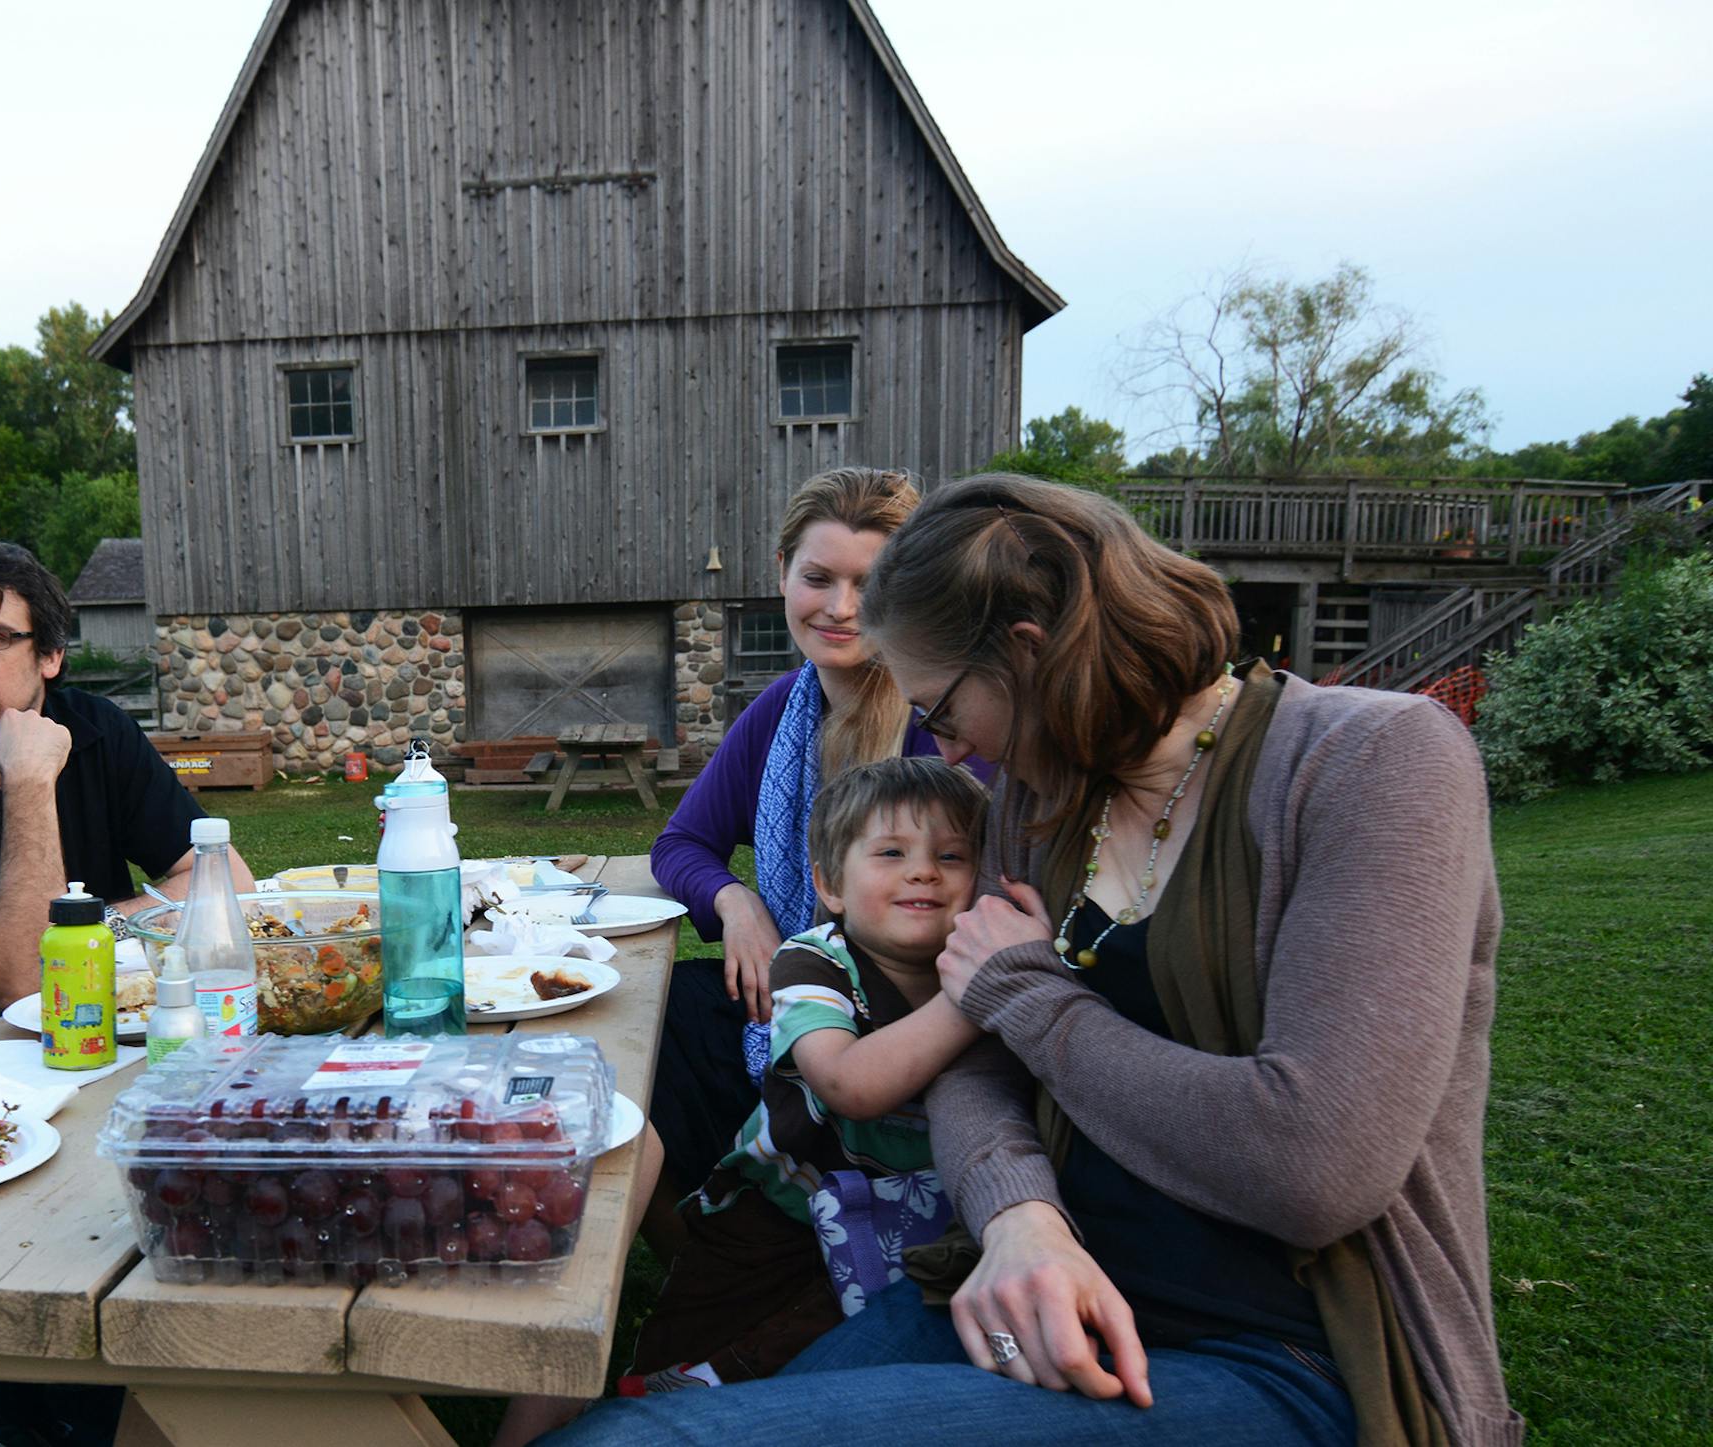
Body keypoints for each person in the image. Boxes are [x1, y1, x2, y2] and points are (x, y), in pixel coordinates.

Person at [547, 475, 1521, 1446]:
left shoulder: (1371, 762)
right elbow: (979, 1061)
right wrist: (1019, 1215)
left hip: (1286, 1351)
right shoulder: (1041, 801)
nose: (940, 740)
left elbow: (1317, 1166)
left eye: (941, 706)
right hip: (1024, 1276)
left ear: (1024, 654)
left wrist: (1033, 998)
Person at [647, 467, 975, 1217]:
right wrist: (736, 904)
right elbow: (682, 843)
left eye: (870, 581)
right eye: (818, 577)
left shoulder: (944, 721)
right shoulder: (779, 711)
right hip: (793, 986)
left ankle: (765, 1225)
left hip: (904, 1018)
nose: (841, 607)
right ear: (782, 575)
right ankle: (696, 1245)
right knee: (654, 1019)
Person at [630, 756, 987, 1391]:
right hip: (778, 1209)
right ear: (831, 885)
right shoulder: (816, 962)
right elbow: (849, 1083)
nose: (924, 870)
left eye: (953, 857)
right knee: (679, 1348)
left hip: (916, 1225)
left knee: (811, 1357)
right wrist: (974, 997)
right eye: (891, 853)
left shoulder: (975, 962)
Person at [0, 536, 254, 1046]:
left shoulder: (97, 730)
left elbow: (226, 882)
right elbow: (24, 982)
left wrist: (87, 931)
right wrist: (29, 781)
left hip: (83, 1018)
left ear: (49, 655)